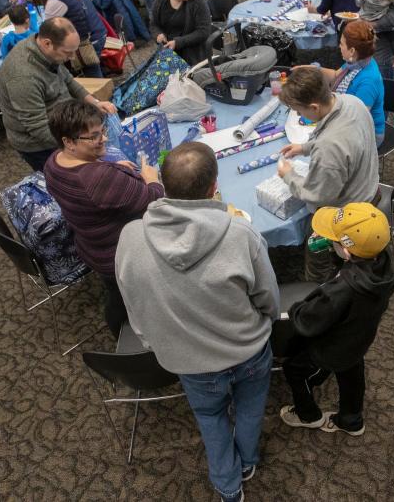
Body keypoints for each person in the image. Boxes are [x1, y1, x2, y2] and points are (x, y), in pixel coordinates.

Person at [115, 141, 279, 502]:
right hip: (248, 351)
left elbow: (133, 305)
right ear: (213, 187)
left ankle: (228, 486)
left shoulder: (130, 237)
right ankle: (248, 461)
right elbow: (269, 298)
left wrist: (153, 342)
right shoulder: (243, 234)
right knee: (251, 409)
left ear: (161, 184)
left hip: (189, 363)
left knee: (211, 419)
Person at [44, 99, 164, 336]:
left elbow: (92, 184)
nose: (104, 140)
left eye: (103, 131)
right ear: (68, 142)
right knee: (122, 300)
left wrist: (111, 166)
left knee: (116, 293)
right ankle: (124, 336)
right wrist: (151, 178)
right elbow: (152, 200)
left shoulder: (54, 162)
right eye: (94, 137)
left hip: (91, 245)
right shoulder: (97, 180)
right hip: (117, 255)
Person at [279, 202, 394, 435]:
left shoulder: (340, 290)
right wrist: (337, 254)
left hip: (331, 347)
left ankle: (308, 415)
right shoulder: (383, 263)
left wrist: (295, 309)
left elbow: (307, 321)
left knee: (294, 370)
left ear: (346, 250)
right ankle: (352, 420)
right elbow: (353, 264)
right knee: (352, 373)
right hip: (359, 338)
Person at [0, 18, 116, 170]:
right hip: (40, 145)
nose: (73, 57)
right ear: (47, 43)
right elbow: (37, 128)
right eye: (68, 52)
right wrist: (76, 146)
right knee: (67, 181)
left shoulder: (47, 50)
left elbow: (69, 81)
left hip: (62, 128)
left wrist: (95, 102)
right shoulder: (22, 76)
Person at [277, 67, 379, 211]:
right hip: (367, 186)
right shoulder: (352, 101)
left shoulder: (327, 147)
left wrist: (289, 176)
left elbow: (317, 196)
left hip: (351, 211)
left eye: (299, 111)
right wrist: (305, 147)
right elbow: (344, 140)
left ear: (314, 108)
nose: (299, 115)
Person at [303, 20, 385, 144]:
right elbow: (336, 75)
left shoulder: (368, 81)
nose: (339, 47)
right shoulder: (358, 61)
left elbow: (353, 120)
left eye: (341, 44)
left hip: (366, 135)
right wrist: (316, 70)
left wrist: (321, 114)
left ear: (352, 51)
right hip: (349, 120)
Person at [23, 0, 107, 78]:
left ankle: (102, 92)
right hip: (97, 31)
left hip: (90, 41)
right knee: (93, 69)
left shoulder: (54, 1)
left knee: (92, 74)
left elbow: (47, 32)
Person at [150, 0, 213, 66]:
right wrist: (158, 35)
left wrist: (178, 42)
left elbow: (204, 31)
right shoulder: (161, 0)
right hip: (168, 53)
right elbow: (154, 24)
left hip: (192, 55)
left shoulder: (197, 2)